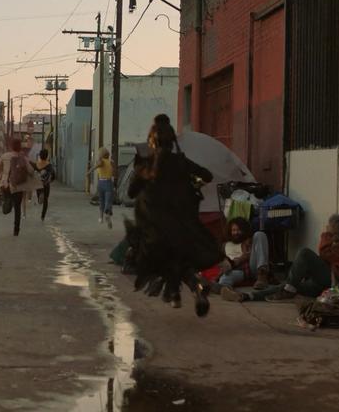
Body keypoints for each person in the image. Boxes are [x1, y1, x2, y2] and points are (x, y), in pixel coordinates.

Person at [127, 114, 222, 316]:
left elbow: (130, 193)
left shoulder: (147, 165)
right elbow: (207, 175)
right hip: (182, 227)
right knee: (182, 259)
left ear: (152, 140)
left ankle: (174, 294)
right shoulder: (181, 162)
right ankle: (195, 287)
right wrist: (193, 185)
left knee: (154, 259)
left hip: (155, 230)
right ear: (172, 141)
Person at [233, 213, 339, 302]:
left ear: (337, 229)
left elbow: (324, 253)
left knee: (305, 253)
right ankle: (248, 296)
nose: (327, 228)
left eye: (329, 227)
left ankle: (289, 288)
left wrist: (326, 235)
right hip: (324, 283)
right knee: (286, 286)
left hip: (335, 283)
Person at [208, 218, 272, 301]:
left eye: (239, 230)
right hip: (234, 271)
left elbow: (250, 255)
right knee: (225, 277)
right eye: (233, 230)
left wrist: (237, 260)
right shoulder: (225, 245)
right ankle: (228, 292)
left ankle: (262, 274)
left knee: (260, 234)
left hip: (250, 268)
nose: (236, 232)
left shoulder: (248, 241)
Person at [0, 138, 36, 236]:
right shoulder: (23, 158)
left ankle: (8, 202)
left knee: (7, 203)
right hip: (18, 186)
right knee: (18, 208)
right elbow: (31, 171)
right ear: (20, 147)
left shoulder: (5, 156)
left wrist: (4, 170)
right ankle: (16, 230)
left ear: (11, 146)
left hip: (6, 185)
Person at [88, 147, 115, 228]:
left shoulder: (101, 161)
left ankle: (101, 217)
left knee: (101, 200)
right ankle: (107, 215)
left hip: (100, 183)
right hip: (108, 182)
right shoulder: (110, 162)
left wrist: (89, 171)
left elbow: (97, 166)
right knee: (108, 201)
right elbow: (114, 172)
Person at [35, 149, 56, 221]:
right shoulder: (49, 165)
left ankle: (39, 197)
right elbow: (53, 175)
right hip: (46, 184)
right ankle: (42, 216)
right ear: (47, 156)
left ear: (40, 156)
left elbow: (32, 173)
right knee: (46, 200)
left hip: (38, 184)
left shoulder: (37, 164)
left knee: (40, 198)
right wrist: (51, 180)